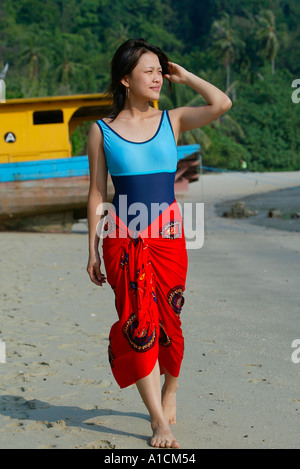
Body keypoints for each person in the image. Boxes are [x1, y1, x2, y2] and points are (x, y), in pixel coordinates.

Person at [87, 38, 232, 449]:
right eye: (148, 70)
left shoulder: (174, 119)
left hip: (168, 239)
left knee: (170, 319)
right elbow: (97, 195)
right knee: (137, 324)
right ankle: (157, 420)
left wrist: (185, 77)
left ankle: (172, 387)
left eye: (159, 70)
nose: (156, 77)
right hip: (122, 239)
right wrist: (92, 248)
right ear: (124, 78)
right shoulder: (102, 132)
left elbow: (221, 103)